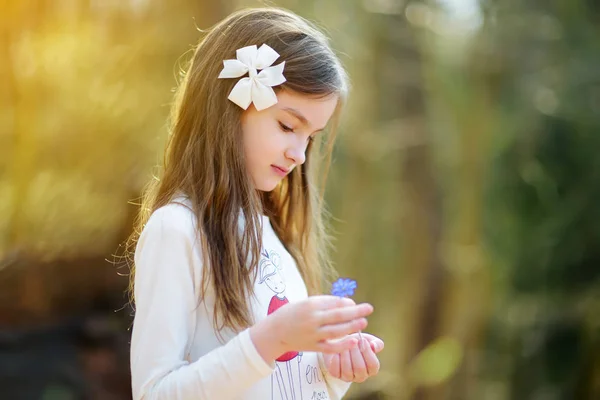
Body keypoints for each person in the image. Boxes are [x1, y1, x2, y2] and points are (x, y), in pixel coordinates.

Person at [127, 7, 384, 400]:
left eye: (311, 137)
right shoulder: (177, 229)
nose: (299, 153)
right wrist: (270, 339)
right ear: (229, 107)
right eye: (287, 126)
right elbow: (155, 392)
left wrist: (332, 371)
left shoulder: (272, 235)